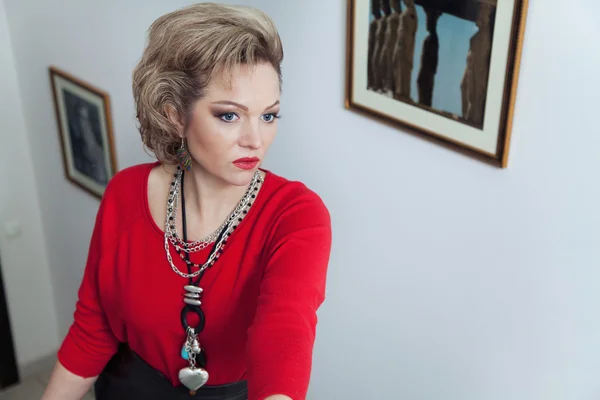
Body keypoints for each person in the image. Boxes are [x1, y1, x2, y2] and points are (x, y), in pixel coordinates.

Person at [41, 3, 332, 400]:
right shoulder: (125, 194)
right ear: (176, 115)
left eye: (269, 116)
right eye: (230, 116)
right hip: (127, 388)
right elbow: (94, 328)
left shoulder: (296, 215)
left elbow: (285, 330)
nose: (255, 140)